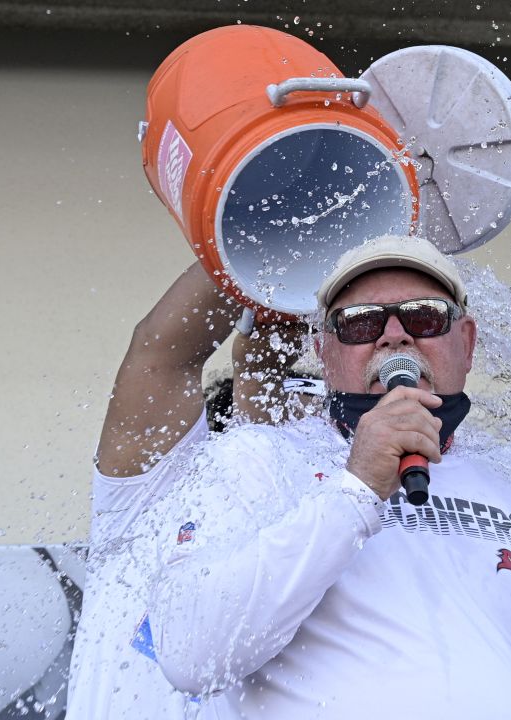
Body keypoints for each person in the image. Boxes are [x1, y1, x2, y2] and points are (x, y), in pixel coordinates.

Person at [146, 235, 511, 718]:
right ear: (324, 352)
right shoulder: (256, 458)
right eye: (362, 323)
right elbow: (190, 653)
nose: (395, 334)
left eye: (424, 317)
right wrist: (357, 488)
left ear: (467, 343)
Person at [67, 261, 319, 719]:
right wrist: (278, 246)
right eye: (301, 391)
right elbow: (161, 353)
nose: (314, 418)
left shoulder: (329, 535)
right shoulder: (159, 490)